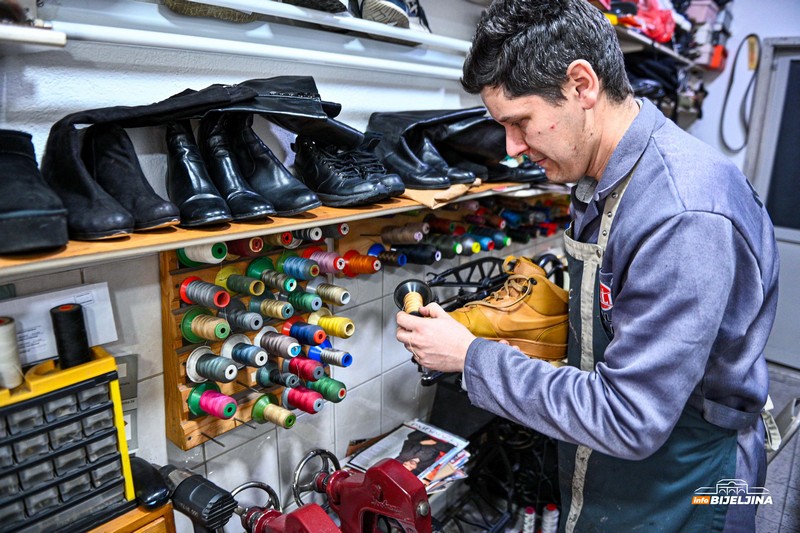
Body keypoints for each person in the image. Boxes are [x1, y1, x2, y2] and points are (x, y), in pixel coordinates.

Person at [394, 1, 780, 531]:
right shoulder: (602, 175)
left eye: (520, 122)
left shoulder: (682, 214)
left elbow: (630, 418)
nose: (512, 148)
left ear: (581, 85)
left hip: (689, 481)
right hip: (617, 469)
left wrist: (472, 357)